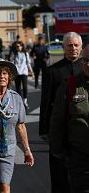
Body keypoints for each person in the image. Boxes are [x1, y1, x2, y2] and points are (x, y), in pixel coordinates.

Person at [0, 60, 34, 193]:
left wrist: (27, 150)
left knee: (4, 185)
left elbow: (21, 126)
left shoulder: (16, 98)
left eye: (4, 73)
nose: (1, 76)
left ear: (9, 77)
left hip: (7, 151)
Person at [39, 32, 83, 193]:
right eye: (70, 45)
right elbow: (45, 101)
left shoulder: (85, 69)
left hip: (81, 129)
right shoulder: (53, 71)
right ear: (64, 48)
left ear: (81, 47)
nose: (73, 48)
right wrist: (44, 129)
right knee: (58, 171)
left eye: (76, 45)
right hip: (58, 128)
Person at [49, 43, 89, 193]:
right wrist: (59, 150)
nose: (88, 64)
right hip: (80, 158)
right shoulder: (70, 86)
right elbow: (57, 120)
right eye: (85, 60)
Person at [9, 41, 34, 109]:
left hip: (24, 72)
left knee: (25, 87)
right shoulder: (14, 53)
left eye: (19, 46)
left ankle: (25, 101)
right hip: (16, 73)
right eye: (16, 47)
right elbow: (11, 63)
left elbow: (28, 63)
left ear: (22, 46)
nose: (18, 48)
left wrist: (31, 72)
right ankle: (20, 101)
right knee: (18, 88)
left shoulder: (25, 53)